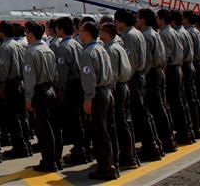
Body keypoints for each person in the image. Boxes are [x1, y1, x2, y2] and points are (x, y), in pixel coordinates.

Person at [115, 9, 164, 161]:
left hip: (134, 78)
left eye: (116, 21)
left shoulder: (130, 36)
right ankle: (154, 144)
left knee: (139, 114)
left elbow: (130, 63)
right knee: (144, 113)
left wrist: (125, 80)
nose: (115, 24)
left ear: (121, 22)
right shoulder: (138, 33)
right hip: (141, 76)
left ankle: (150, 147)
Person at [79, 22, 118, 180]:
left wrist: (88, 98)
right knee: (109, 130)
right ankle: (113, 163)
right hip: (107, 91)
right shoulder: (102, 48)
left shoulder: (87, 52)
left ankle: (105, 167)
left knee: (99, 133)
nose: (80, 34)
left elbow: (89, 79)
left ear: (87, 33)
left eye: (81, 31)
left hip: (97, 95)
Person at [100, 22, 139, 170]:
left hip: (117, 88)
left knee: (120, 123)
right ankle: (130, 155)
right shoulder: (118, 46)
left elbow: (113, 74)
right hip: (124, 86)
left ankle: (126, 157)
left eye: (101, 30)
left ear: (107, 32)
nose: (99, 33)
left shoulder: (110, 49)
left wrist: (111, 90)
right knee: (125, 122)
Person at [23, 21, 61, 173]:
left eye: (27, 32)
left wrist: (28, 98)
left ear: (31, 33)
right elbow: (56, 74)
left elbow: (30, 78)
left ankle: (48, 161)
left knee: (43, 129)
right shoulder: (48, 49)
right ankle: (55, 159)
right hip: (50, 89)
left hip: (39, 92)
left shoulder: (31, 52)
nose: (26, 35)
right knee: (53, 127)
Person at [138, 8, 176, 153]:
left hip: (152, 73)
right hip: (159, 70)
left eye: (138, 17)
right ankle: (167, 139)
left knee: (153, 108)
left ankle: (162, 140)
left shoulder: (146, 36)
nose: (137, 20)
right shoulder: (155, 33)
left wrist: (142, 76)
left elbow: (146, 61)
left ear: (143, 20)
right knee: (161, 106)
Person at [55, 16, 90, 165]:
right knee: (81, 119)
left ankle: (79, 151)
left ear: (61, 29)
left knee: (74, 120)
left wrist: (60, 90)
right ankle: (84, 148)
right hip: (80, 83)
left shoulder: (63, 47)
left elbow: (62, 72)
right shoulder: (77, 43)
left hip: (70, 85)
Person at [157, 9, 194, 145]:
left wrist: (163, 75)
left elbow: (166, 58)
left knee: (175, 102)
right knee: (181, 101)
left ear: (162, 19)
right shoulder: (174, 31)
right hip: (179, 67)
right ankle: (187, 130)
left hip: (172, 69)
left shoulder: (165, 33)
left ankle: (182, 132)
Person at [0, 22, 30, 159]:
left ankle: (18, 147)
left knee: (12, 118)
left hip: (10, 84)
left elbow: (3, 70)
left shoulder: (4, 48)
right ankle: (26, 143)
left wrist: (1, 87)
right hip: (21, 82)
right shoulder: (20, 45)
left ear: (3, 32)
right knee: (22, 116)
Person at [173, 11, 200, 140]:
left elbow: (180, 55)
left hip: (187, 65)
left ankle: (189, 129)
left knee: (186, 99)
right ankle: (197, 128)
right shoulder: (192, 31)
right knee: (194, 98)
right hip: (195, 64)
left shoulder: (183, 33)